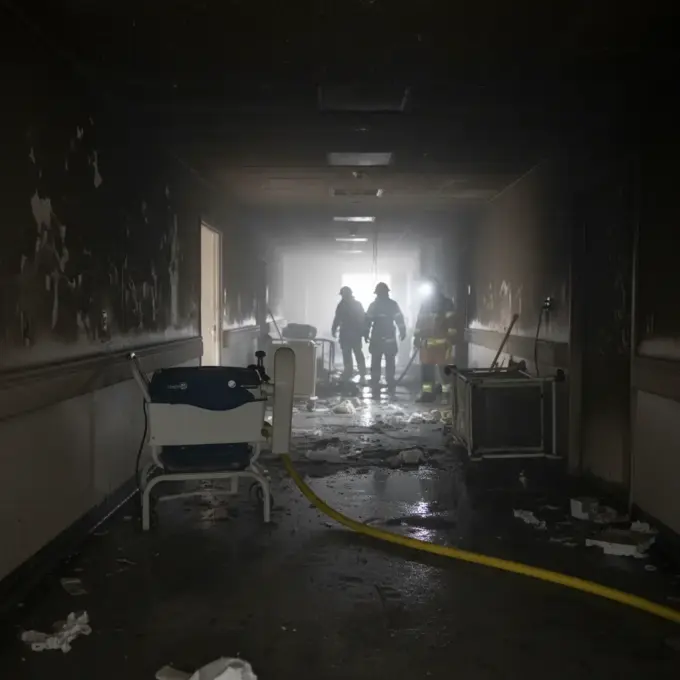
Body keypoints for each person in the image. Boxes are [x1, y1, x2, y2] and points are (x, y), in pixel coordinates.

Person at [414, 277, 456, 403]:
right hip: (427, 345)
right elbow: (419, 322)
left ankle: (446, 395)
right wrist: (416, 337)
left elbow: (452, 322)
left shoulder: (447, 303)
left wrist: (451, 339)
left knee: (444, 371)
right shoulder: (425, 304)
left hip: (442, 345)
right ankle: (427, 394)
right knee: (427, 371)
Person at [365, 282, 406, 394]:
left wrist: (365, 333)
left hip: (377, 337)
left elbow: (367, 321)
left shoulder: (374, 305)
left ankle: (376, 382)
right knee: (388, 361)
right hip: (388, 337)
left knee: (377, 361)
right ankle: (389, 381)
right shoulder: (392, 305)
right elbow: (399, 319)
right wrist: (402, 331)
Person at [331, 286, 366, 381]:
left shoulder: (342, 305)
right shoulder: (355, 304)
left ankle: (353, 372)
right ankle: (358, 373)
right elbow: (363, 318)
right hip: (352, 334)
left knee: (352, 353)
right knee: (354, 353)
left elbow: (337, 319)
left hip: (348, 334)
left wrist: (334, 329)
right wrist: (364, 332)